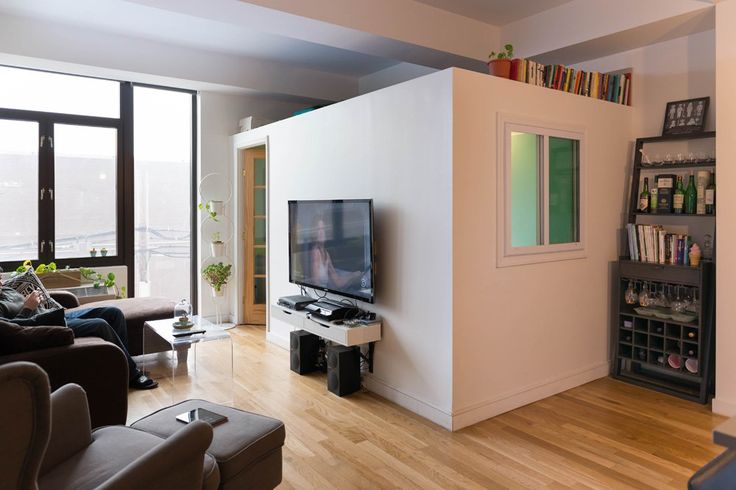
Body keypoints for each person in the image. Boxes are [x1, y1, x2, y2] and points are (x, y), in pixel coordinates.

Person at [0, 278, 157, 390]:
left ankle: (121, 368)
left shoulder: (6, 289)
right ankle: (132, 375)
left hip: (55, 314)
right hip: (47, 324)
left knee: (114, 313)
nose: (1, 278)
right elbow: (15, 329)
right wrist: (28, 307)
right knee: (100, 325)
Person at [309, 216, 364, 291]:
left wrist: (353, 275)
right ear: (314, 233)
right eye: (318, 229)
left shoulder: (326, 254)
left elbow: (338, 282)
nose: (321, 232)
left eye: (323, 229)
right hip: (319, 296)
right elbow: (316, 284)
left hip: (324, 295)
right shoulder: (315, 253)